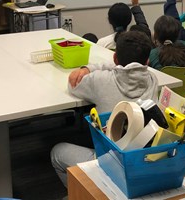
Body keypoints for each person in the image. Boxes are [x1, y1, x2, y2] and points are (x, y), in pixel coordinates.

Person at [50, 31, 157, 190]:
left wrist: (88, 68)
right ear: (147, 61)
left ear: (115, 58)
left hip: (109, 162)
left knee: (57, 152)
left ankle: (87, 194)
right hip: (144, 160)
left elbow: (73, 85)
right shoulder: (152, 80)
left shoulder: (100, 80)